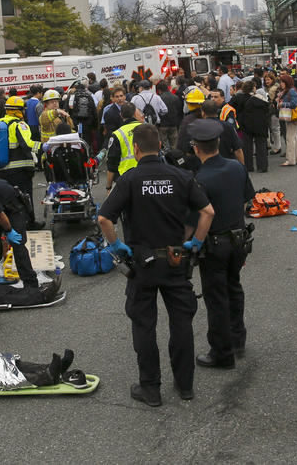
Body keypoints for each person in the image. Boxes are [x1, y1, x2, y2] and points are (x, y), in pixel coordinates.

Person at [97, 124, 215, 406]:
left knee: (144, 325)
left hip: (142, 264)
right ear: (160, 146)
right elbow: (207, 212)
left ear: (136, 149)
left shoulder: (130, 179)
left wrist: (115, 245)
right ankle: (185, 385)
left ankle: (150, 388)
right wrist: (196, 243)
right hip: (176, 259)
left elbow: (104, 219)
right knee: (181, 323)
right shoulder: (181, 175)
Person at [188, 119, 255, 369]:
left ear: (196, 148)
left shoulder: (199, 179)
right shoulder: (237, 168)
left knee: (216, 298)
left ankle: (222, 352)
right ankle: (238, 339)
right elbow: (249, 198)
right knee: (234, 288)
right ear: (218, 143)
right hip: (239, 239)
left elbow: (195, 218)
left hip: (215, 244)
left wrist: (190, 244)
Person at [0, 97, 41, 228]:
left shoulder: (0, 123)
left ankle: (11, 223)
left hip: (2, 169)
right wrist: (43, 147)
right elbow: (28, 144)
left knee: (9, 198)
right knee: (25, 197)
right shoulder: (19, 124)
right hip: (20, 169)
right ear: (18, 111)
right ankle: (29, 223)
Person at [105, 102, 143, 193]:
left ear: (121, 115)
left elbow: (112, 164)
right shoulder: (147, 128)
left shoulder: (117, 134)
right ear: (135, 113)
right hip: (146, 174)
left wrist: (108, 187)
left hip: (124, 178)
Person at [237, 80, 270, 173]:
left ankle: (248, 166)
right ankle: (262, 167)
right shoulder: (261, 99)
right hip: (260, 124)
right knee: (261, 146)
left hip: (246, 125)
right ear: (253, 88)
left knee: (247, 147)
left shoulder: (240, 98)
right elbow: (268, 109)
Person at [67, 80, 100, 150]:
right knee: (87, 141)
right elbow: (94, 112)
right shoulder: (89, 96)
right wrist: (95, 126)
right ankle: (87, 155)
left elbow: (67, 110)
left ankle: (77, 154)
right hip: (87, 123)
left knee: (76, 141)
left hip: (75, 123)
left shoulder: (72, 96)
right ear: (84, 89)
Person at [278, 75, 297, 166]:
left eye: (282, 82)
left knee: (290, 138)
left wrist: (282, 104)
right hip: (291, 116)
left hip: (292, 116)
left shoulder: (291, 90)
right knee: (293, 136)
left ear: (287, 82)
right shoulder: (290, 90)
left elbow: (294, 104)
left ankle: (290, 159)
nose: (281, 84)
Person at [156, 79, 183, 151]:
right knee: (174, 145)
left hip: (163, 125)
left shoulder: (159, 99)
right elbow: (179, 110)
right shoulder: (175, 97)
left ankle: (168, 160)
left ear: (159, 90)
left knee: (165, 147)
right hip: (173, 124)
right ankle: (175, 159)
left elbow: (157, 111)